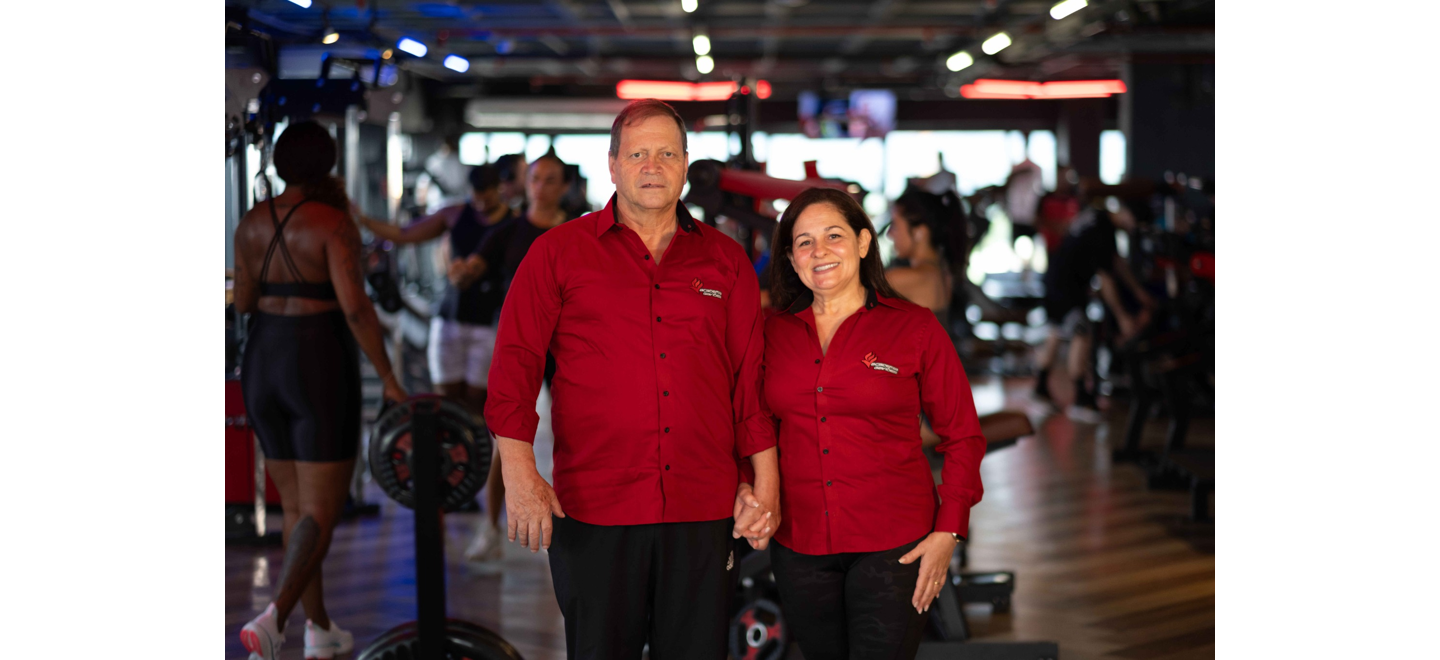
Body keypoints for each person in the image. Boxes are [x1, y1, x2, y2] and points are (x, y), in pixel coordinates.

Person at [484, 99, 779, 660]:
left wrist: (763, 483)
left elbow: (749, 383)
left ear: (685, 165)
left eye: (666, 154)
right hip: (595, 506)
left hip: (703, 504)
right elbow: (514, 366)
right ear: (613, 165)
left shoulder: (726, 261)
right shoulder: (557, 254)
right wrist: (520, 474)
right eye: (638, 154)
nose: (652, 167)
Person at [760, 187, 987, 660]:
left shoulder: (914, 326)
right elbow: (753, 423)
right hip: (799, 544)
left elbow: (963, 435)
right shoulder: (770, 331)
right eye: (804, 242)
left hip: (895, 544)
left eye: (834, 236)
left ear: (863, 243)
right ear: (791, 258)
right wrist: (750, 489)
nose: (819, 251)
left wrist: (949, 530)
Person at [232, 120, 408, 660]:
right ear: (328, 164)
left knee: (296, 509)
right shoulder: (332, 223)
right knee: (322, 510)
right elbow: (355, 308)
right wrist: (389, 378)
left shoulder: (251, 222)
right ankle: (275, 618)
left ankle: (320, 628)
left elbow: (243, 302)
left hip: (262, 360)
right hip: (317, 361)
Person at [457, 153, 571, 561]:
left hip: (568, 347)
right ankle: (490, 527)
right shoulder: (507, 232)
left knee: (576, 434)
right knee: (507, 438)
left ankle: (577, 522)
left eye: (550, 179)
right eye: (535, 178)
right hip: (521, 346)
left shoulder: (579, 234)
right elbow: (472, 269)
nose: (541, 186)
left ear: (564, 187)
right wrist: (460, 270)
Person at [1034, 196, 1155, 423]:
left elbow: (1116, 262)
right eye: (1135, 224)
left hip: (1055, 279)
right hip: (1067, 287)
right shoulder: (1102, 230)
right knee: (1082, 332)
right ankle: (1081, 399)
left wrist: (1138, 291)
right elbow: (1106, 278)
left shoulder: (1097, 216)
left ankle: (1040, 389)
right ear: (1128, 214)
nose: (1133, 229)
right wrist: (1122, 316)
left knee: (1056, 332)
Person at [416, 134, 470, 214]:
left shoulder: (433, 161)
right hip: (453, 208)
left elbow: (423, 187)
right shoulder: (434, 162)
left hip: (440, 208)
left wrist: (422, 208)